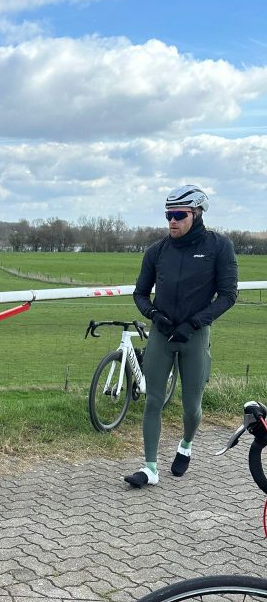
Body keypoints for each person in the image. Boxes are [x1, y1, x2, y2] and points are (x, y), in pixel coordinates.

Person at [125, 184, 238, 488]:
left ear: (197, 214)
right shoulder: (157, 250)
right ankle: (150, 468)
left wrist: (194, 323)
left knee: (191, 406)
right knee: (153, 399)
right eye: (168, 215)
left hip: (194, 335)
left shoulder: (219, 247)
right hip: (162, 334)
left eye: (179, 215)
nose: (172, 221)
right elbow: (140, 293)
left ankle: (186, 444)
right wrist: (154, 315)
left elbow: (228, 295)